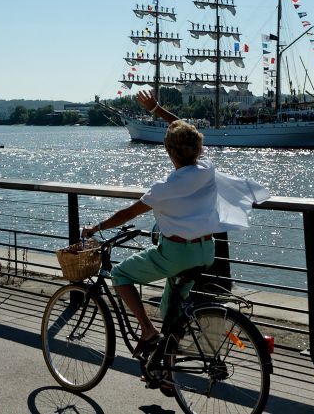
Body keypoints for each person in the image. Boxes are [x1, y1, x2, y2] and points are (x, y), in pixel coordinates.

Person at [81, 89, 269, 357]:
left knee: (121, 274)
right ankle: (166, 366)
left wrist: (97, 227)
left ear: (169, 150)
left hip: (176, 254)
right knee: (171, 310)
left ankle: (146, 330)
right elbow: (183, 129)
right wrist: (156, 108)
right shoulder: (207, 170)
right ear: (198, 148)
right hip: (205, 251)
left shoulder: (164, 188)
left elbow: (128, 214)